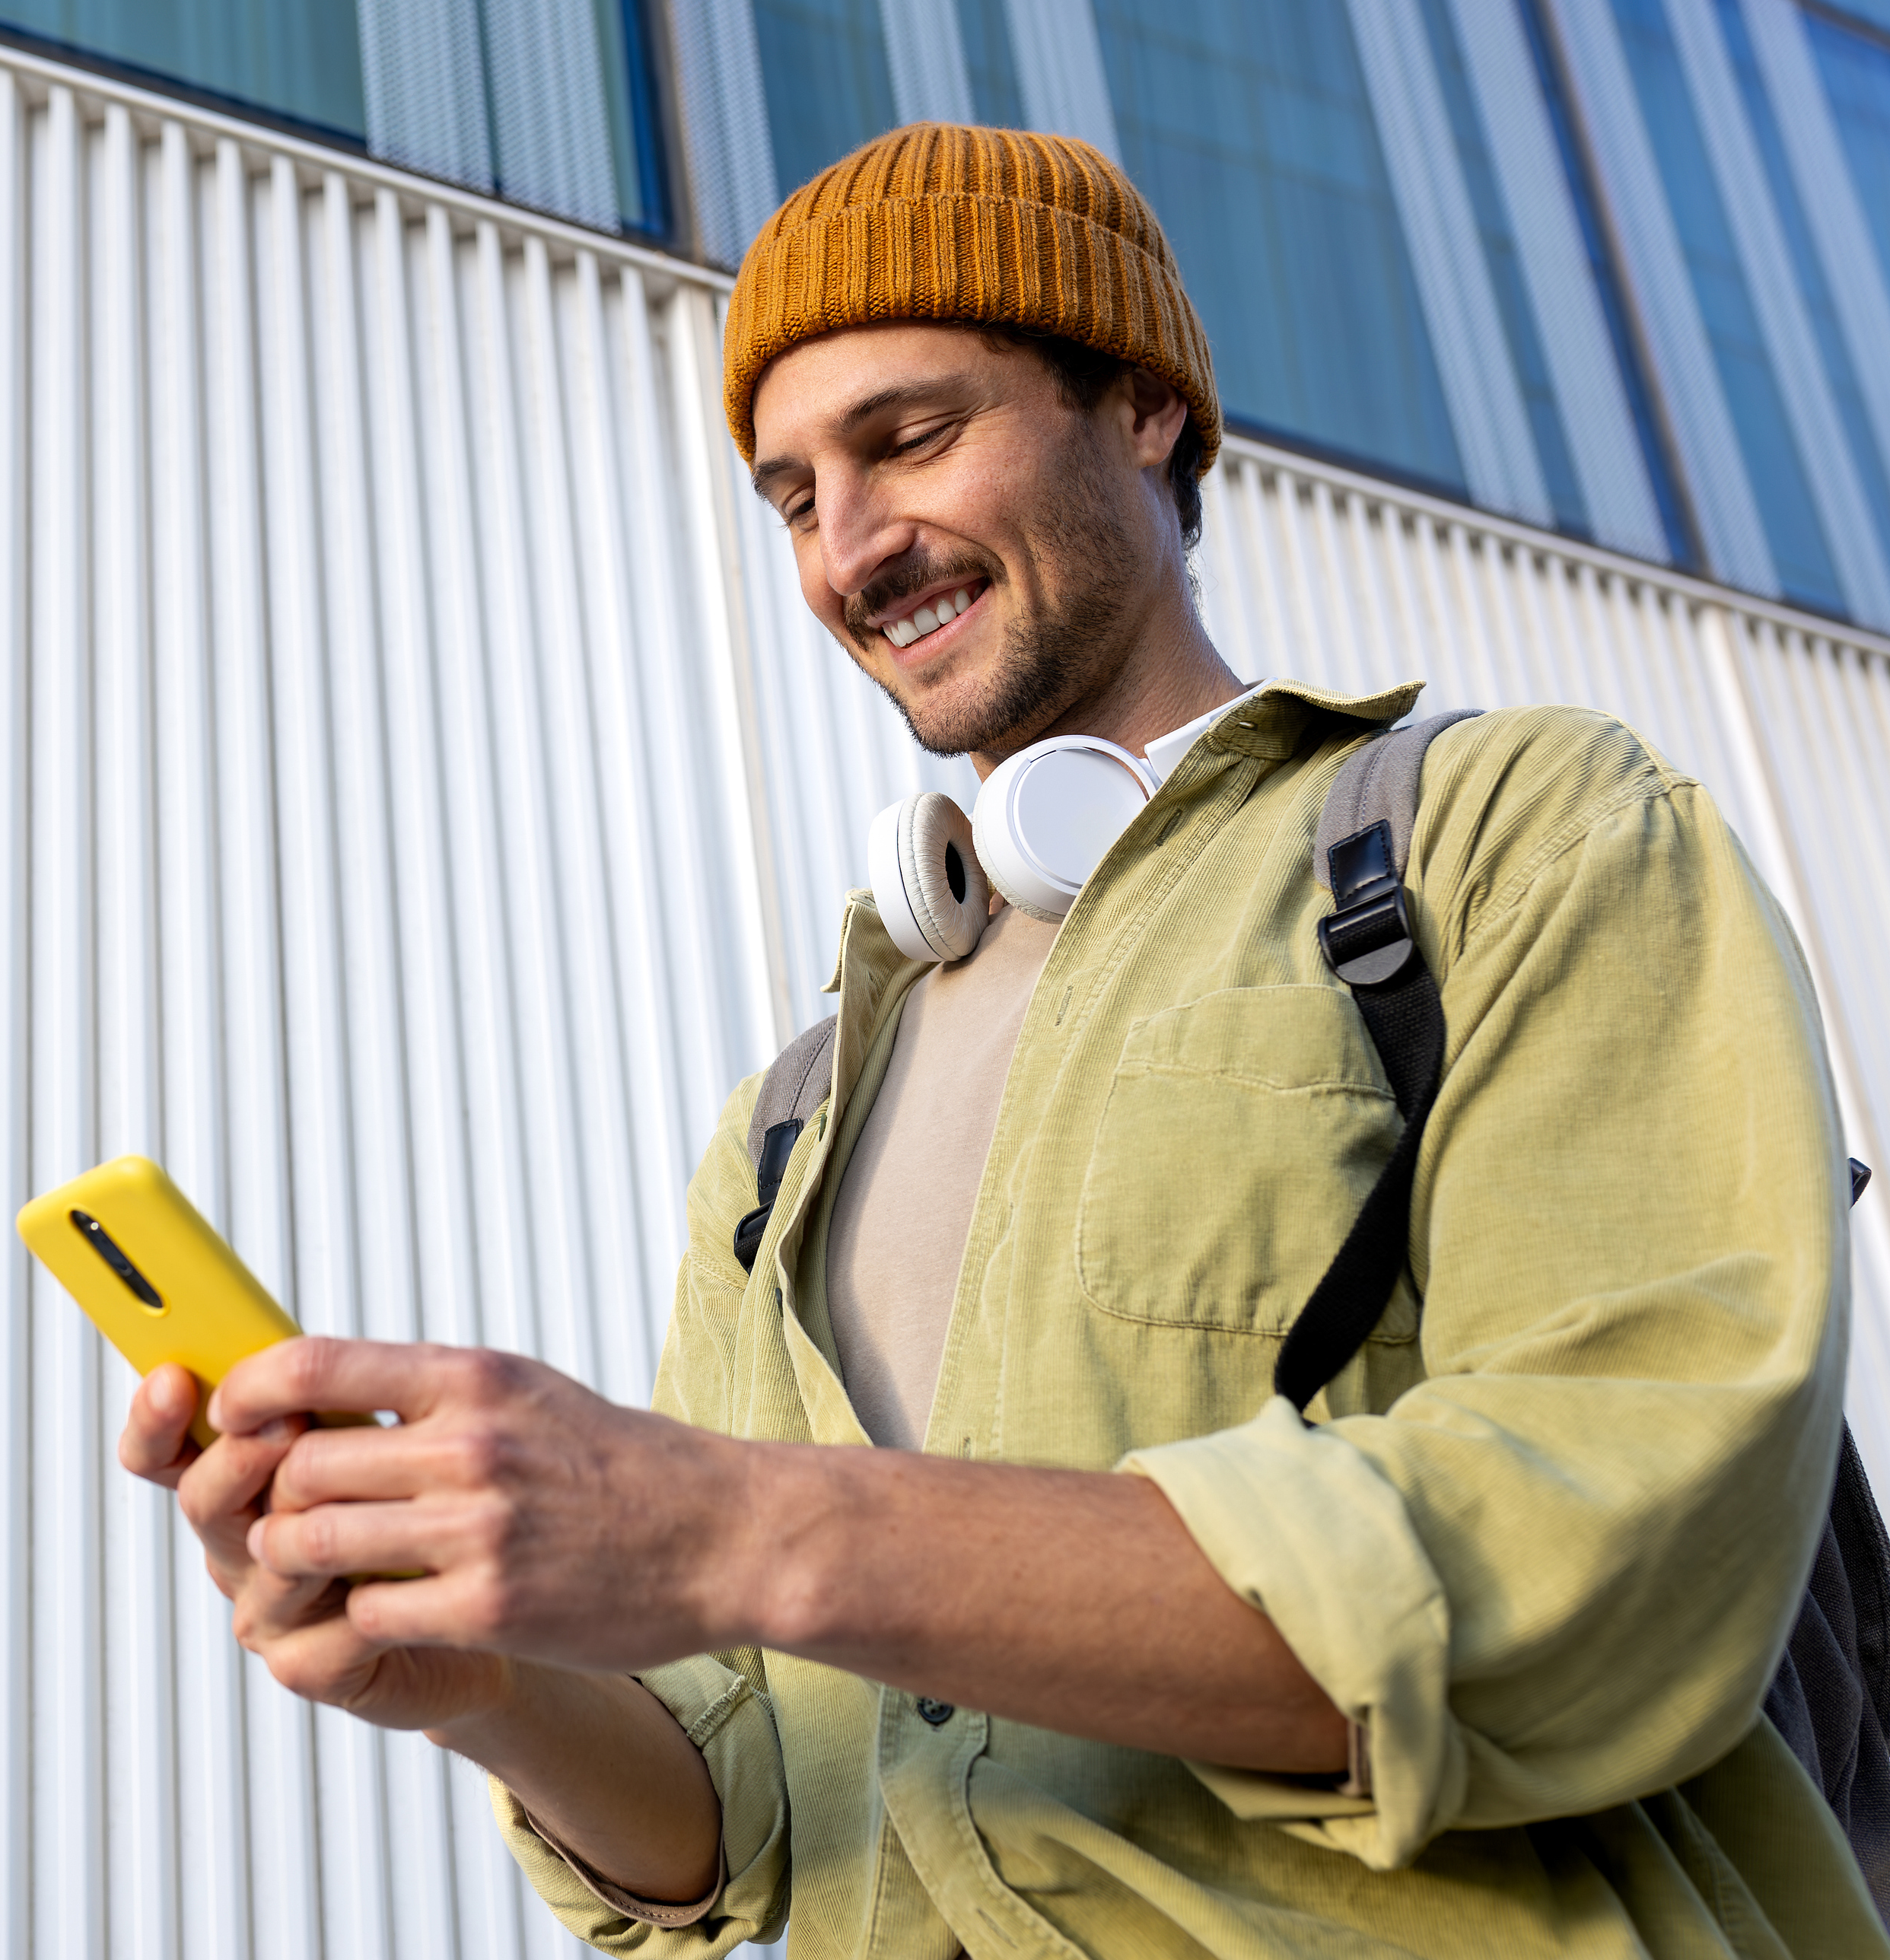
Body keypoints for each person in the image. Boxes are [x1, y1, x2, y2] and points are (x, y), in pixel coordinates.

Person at [116, 123, 1881, 1955]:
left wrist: (738, 1522)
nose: (851, 549)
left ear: (1142, 408)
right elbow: (749, 1822)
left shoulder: (1512, 833)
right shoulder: (789, 1130)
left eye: (910, 437)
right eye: (794, 495)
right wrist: (478, 1681)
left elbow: (1612, 1554)